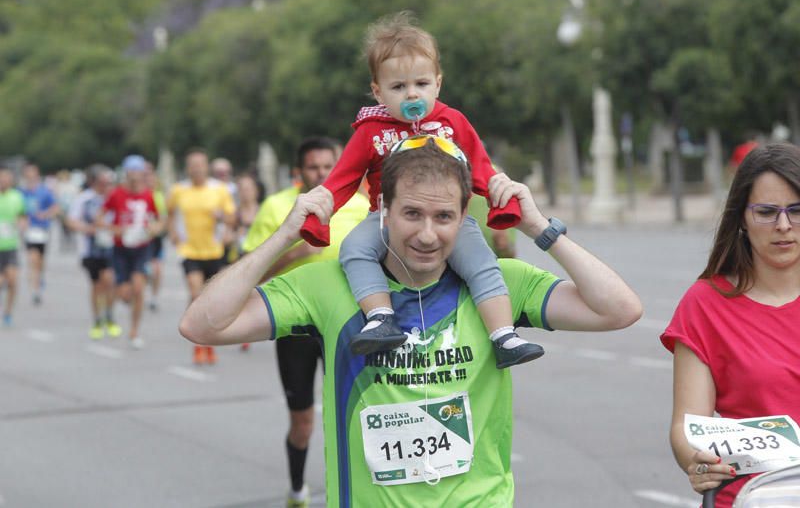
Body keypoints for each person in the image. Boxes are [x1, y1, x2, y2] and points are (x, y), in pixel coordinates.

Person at [180, 137, 642, 507]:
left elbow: (619, 309)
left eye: (444, 216)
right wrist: (284, 235)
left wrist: (539, 228)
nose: (427, 234)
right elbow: (203, 325)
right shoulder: (328, 285)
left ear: (464, 217)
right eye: (412, 214)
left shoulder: (499, 288)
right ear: (382, 210)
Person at [299, 11, 540, 370]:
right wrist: (322, 207)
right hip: (385, 219)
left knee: (482, 263)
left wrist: (497, 193)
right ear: (379, 91)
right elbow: (343, 178)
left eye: (421, 84)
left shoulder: (451, 121)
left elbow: (481, 166)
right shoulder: (371, 130)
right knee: (353, 248)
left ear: (438, 84)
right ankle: (381, 317)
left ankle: (503, 334)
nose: (412, 94)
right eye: (398, 87)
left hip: (446, 220)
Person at [662, 143, 800, 507]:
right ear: (741, 216)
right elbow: (687, 425)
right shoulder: (705, 304)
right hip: (751, 498)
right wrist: (696, 460)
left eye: (796, 211)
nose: (784, 225)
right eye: (767, 212)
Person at [241, 137, 369, 507]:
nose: (321, 173)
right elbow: (250, 270)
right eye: (312, 167)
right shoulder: (278, 207)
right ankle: (297, 489)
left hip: (345, 328)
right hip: (294, 327)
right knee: (303, 422)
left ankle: (353, 493)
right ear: (299, 171)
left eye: (328, 165)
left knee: (355, 416)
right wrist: (296, 250)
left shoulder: (360, 207)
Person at [167, 149, 235, 365]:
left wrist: (223, 223)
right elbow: (169, 214)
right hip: (189, 250)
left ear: (207, 167)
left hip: (214, 250)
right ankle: (198, 343)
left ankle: (208, 342)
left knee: (210, 298)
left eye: (200, 164)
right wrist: (173, 233)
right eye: (193, 165)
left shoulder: (220, 189)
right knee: (196, 292)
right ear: (188, 168)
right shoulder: (179, 190)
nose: (197, 168)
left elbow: (232, 218)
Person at [98, 155, 163, 349]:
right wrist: (115, 229)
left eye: (138, 171)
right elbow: (99, 219)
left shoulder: (150, 195)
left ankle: (134, 330)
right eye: (131, 171)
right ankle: (113, 306)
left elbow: (160, 221)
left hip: (142, 248)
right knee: (125, 294)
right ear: (126, 172)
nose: (135, 175)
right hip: (120, 249)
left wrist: (153, 229)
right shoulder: (116, 194)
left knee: (138, 288)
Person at [66, 165, 123, 340]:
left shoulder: (114, 197)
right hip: (90, 250)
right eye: (102, 182)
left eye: (108, 182)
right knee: (97, 285)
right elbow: (71, 221)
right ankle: (98, 319)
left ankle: (109, 315)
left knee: (111, 281)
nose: (106, 185)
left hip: (112, 247)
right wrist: (88, 228)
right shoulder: (84, 199)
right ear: (94, 182)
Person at [19, 163, 59, 306]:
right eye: (28, 173)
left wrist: (45, 214)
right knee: (32, 259)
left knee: (41, 261)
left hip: (43, 230)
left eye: (33, 173)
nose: (30, 175)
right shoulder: (21, 192)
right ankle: (35, 290)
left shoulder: (44, 192)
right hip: (29, 230)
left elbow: (55, 207)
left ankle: (39, 279)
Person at [0, 165, 27, 326]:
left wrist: (22, 224)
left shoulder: (17, 197)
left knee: (13, 281)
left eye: (6, 178)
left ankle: (8, 312)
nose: (3, 181)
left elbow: (23, 216)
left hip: (10, 246)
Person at [144, 162, 167, 312]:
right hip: (139, 238)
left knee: (157, 269)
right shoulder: (137, 194)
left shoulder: (159, 196)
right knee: (143, 269)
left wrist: (157, 228)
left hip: (154, 238)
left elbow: (164, 217)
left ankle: (154, 296)